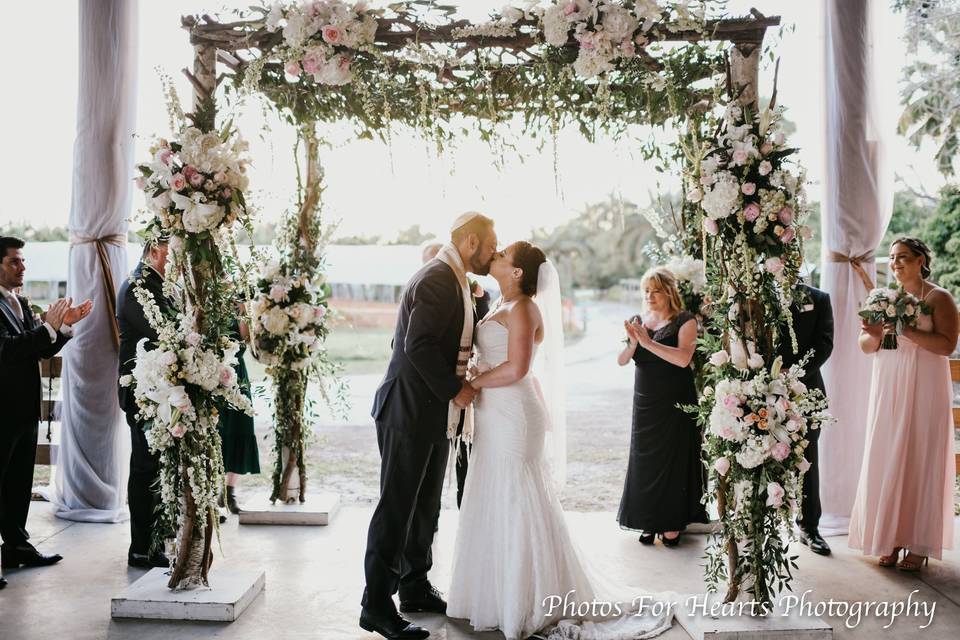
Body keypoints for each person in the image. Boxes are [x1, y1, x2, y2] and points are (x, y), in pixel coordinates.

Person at [447, 242, 671, 640]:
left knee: (518, 495)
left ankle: (527, 598)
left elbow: (517, 367)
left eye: (502, 256)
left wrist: (472, 383)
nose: (493, 257)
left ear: (517, 272)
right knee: (493, 493)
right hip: (493, 414)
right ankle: (494, 593)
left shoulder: (525, 308)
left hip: (514, 413)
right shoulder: (499, 302)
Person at [361, 213, 497, 640]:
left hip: (432, 413)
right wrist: (453, 389)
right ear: (471, 241)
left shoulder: (454, 278)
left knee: (425, 508)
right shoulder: (437, 277)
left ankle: (415, 587)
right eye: (491, 244)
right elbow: (414, 344)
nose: (494, 252)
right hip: (409, 410)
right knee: (397, 508)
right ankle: (376, 606)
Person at [849, 237, 958, 572]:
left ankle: (919, 542)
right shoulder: (880, 298)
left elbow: (946, 344)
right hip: (889, 383)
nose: (896, 263)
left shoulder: (939, 297)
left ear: (921, 260)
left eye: (904, 257)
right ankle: (890, 538)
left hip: (924, 385)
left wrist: (907, 330)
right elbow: (866, 346)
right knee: (888, 452)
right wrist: (875, 333)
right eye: (893, 258)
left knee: (919, 455)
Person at [0, 236, 92, 583]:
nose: (22, 267)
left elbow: (37, 349)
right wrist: (48, 327)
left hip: (25, 409)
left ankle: (16, 546)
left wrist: (64, 326)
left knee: (19, 482)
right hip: (1, 409)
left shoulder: (20, 303)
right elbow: (6, 351)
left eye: (22, 261)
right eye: (14, 262)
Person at [615, 267, 708, 547]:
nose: (649, 295)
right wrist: (634, 343)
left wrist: (647, 342)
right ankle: (648, 519)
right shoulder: (637, 320)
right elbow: (621, 360)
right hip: (645, 401)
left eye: (655, 290)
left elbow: (683, 359)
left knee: (673, 459)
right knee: (646, 460)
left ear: (668, 292)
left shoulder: (685, 321)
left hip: (676, 400)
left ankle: (670, 523)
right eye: (646, 290)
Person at [117, 239, 174, 569]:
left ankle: (157, 541)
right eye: (170, 252)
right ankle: (140, 547)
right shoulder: (136, 288)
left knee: (158, 469)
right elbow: (159, 332)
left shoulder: (160, 283)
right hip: (142, 392)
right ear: (153, 250)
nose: (174, 259)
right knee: (144, 468)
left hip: (162, 391)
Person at [421, 241, 490, 509]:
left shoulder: (472, 293)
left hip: (466, 393)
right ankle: (431, 519)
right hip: (437, 394)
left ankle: (466, 514)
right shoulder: (425, 289)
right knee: (430, 475)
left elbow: (483, 331)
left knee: (465, 461)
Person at [777, 281, 833, 555]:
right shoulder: (755, 293)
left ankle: (809, 528)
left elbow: (824, 344)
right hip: (765, 388)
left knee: (807, 459)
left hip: (807, 388)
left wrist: (795, 371)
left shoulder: (819, 299)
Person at [218, 314, 259, 516]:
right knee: (217, 430)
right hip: (212, 371)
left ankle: (229, 490)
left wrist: (244, 309)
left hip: (237, 374)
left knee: (241, 427)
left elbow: (246, 338)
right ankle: (211, 492)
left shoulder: (241, 298)